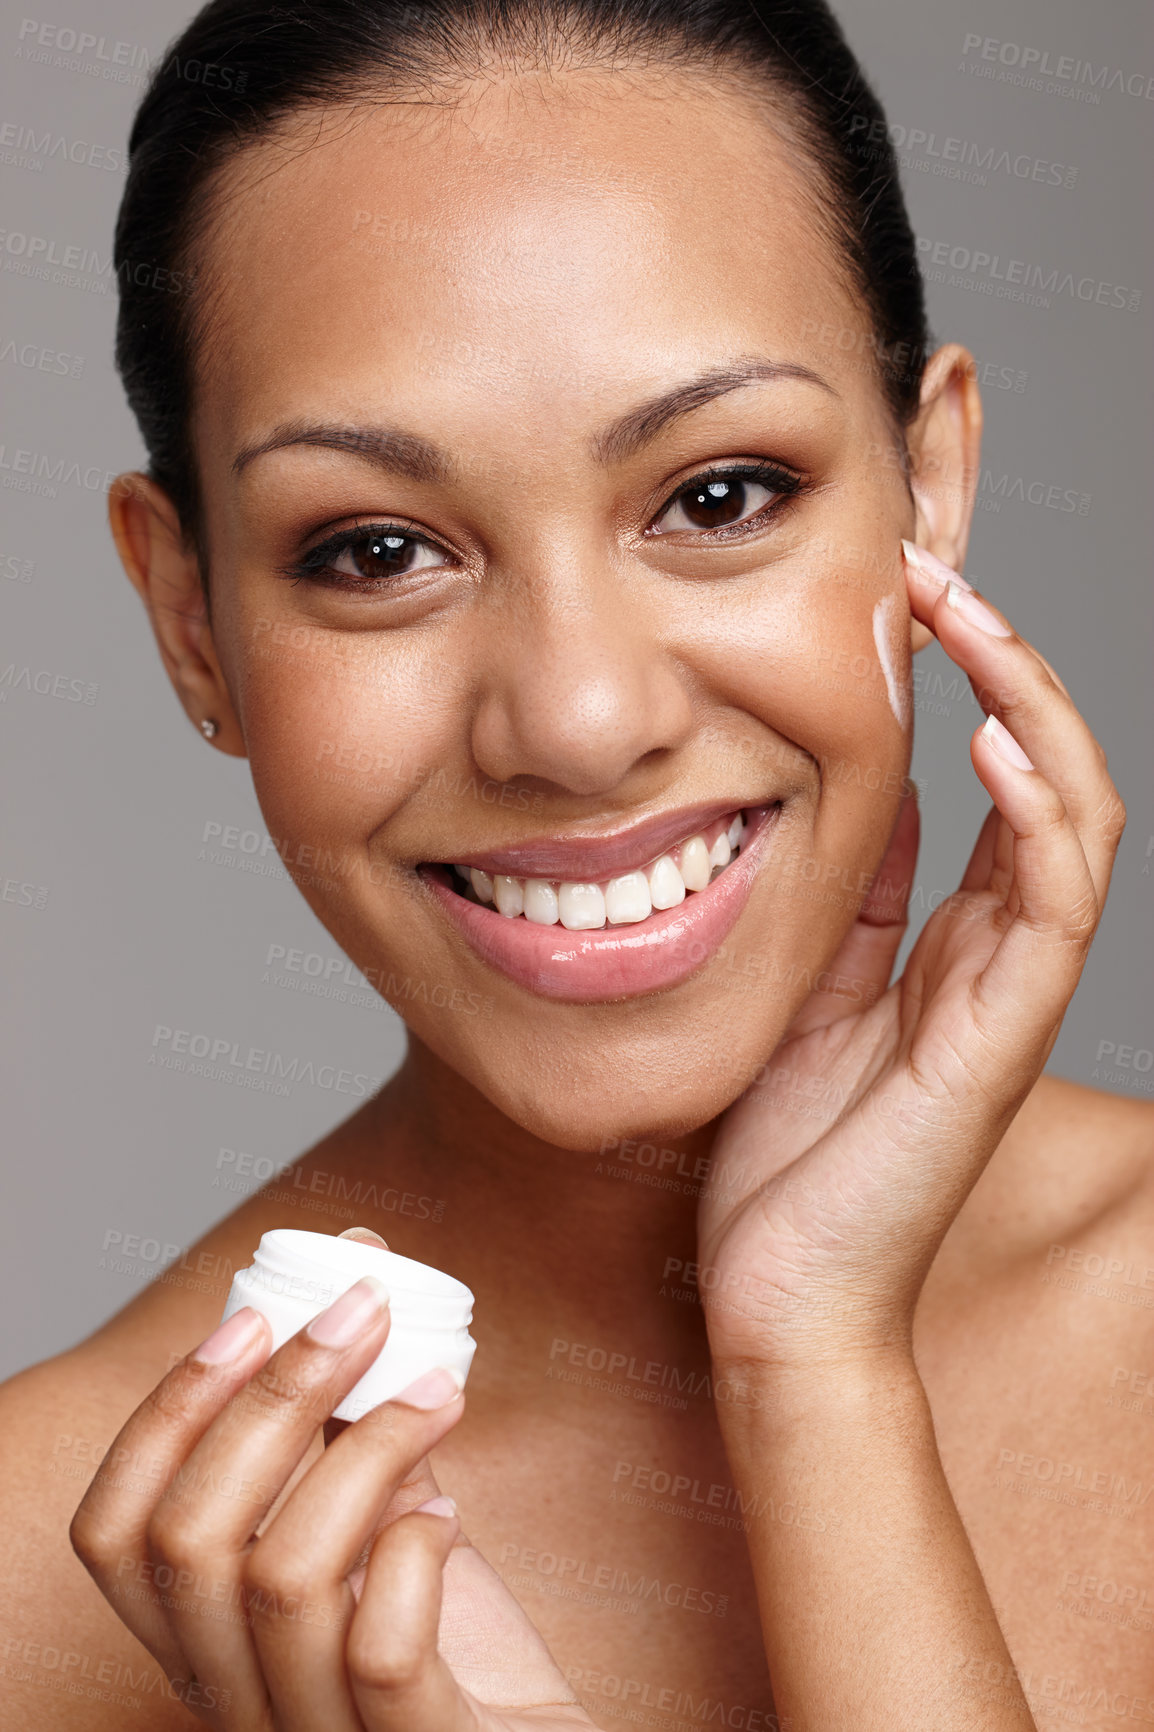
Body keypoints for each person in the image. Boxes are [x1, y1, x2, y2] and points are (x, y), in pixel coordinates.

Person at [1, 0, 1148, 1726]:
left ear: (927, 484)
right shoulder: (50, 1579)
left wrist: (816, 1370)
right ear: (191, 623)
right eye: (377, 548)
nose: (579, 718)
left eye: (717, 496)